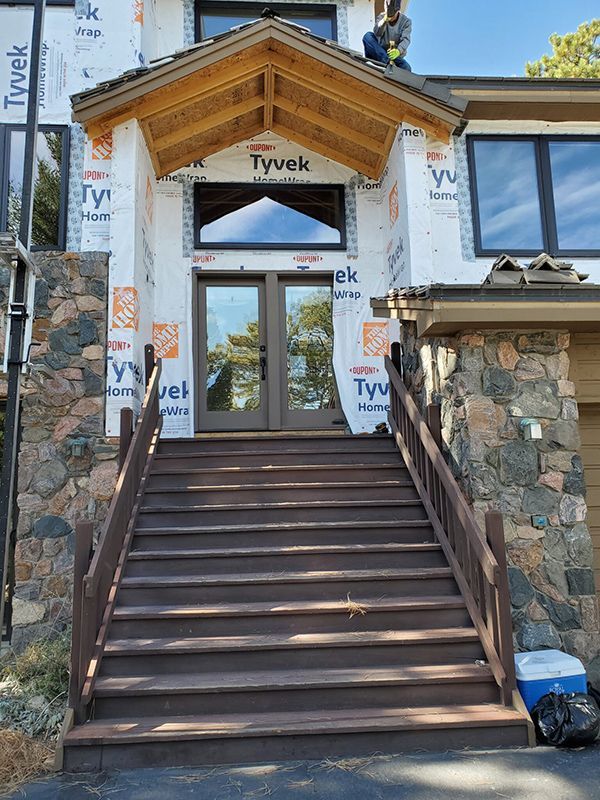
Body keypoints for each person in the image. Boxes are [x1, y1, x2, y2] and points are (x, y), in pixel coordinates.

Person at [363, 0, 412, 72]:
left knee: (407, 68)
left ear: (398, 11)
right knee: (367, 36)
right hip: (379, 52)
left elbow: (405, 39)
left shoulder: (406, 21)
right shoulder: (381, 16)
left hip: (394, 56)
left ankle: (391, 66)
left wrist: (398, 51)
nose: (391, 17)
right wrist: (384, 21)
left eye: (393, 15)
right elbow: (377, 33)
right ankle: (388, 64)